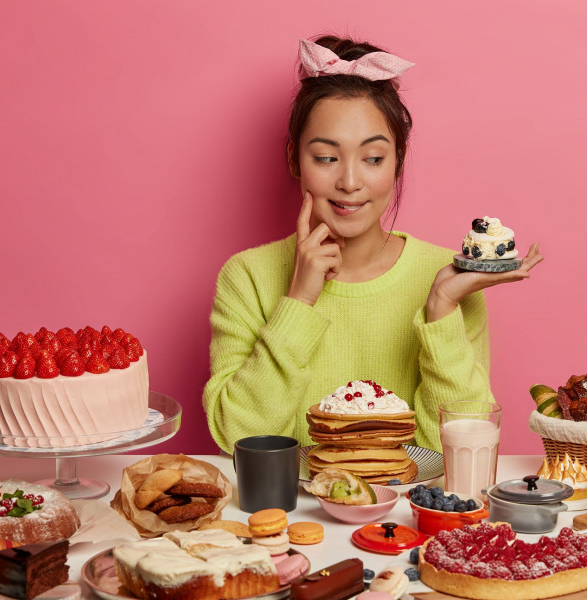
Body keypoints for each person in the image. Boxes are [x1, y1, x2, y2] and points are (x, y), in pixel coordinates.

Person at [204, 35, 543, 454]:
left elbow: (459, 452)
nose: (349, 182)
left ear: (398, 160)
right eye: (326, 157)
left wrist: (441, 311)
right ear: (295, 159)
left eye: (373, 158)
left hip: (404, 517)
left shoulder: (446, 277)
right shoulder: (248, 277)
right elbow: (238, 438)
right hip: (289, 516)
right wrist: (297, 302)